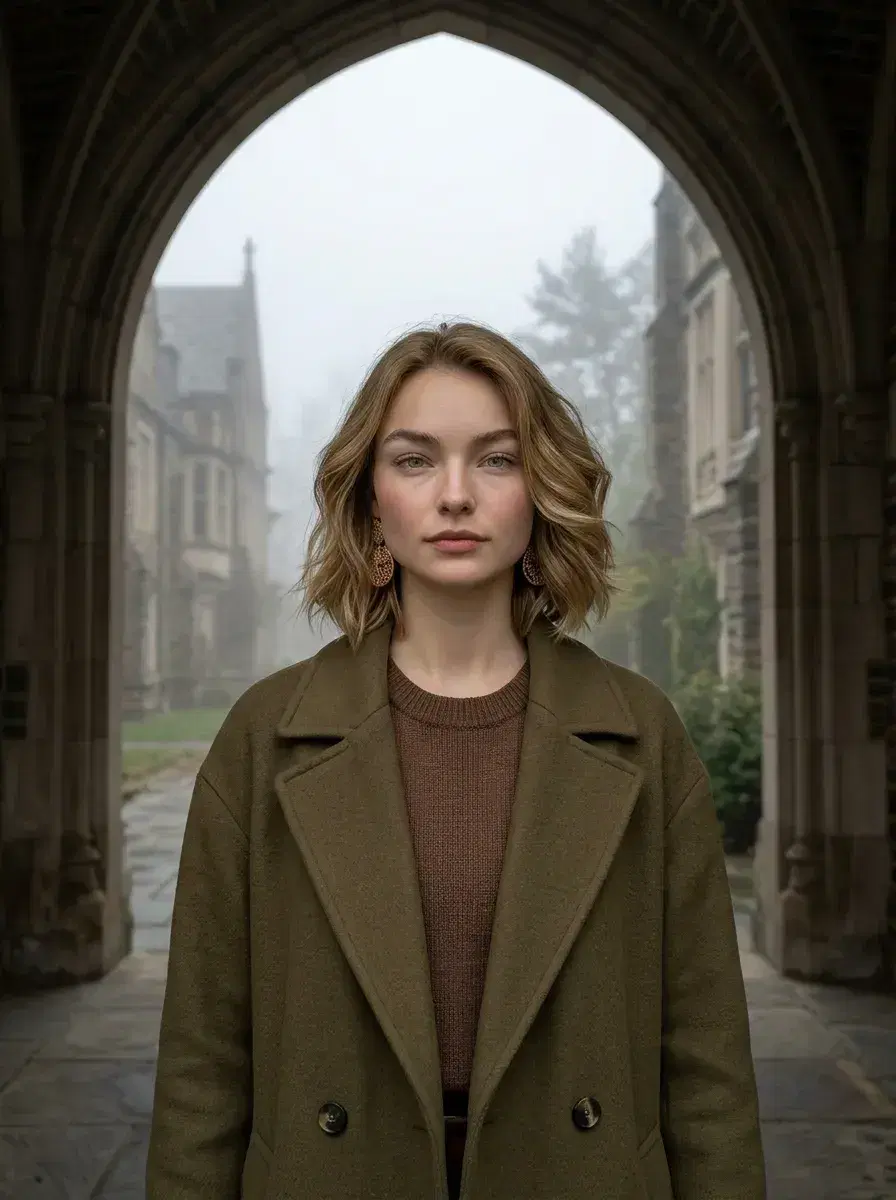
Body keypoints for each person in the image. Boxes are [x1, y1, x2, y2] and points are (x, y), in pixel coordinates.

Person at [146, 320, 766, 1200]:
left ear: (540, 488)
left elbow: (708, 1072)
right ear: (368, 502)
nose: (455, 495)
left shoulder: (644, 735)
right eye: (413, 460)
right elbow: (202, 1073)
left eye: (496, 459)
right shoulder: (263, 738)